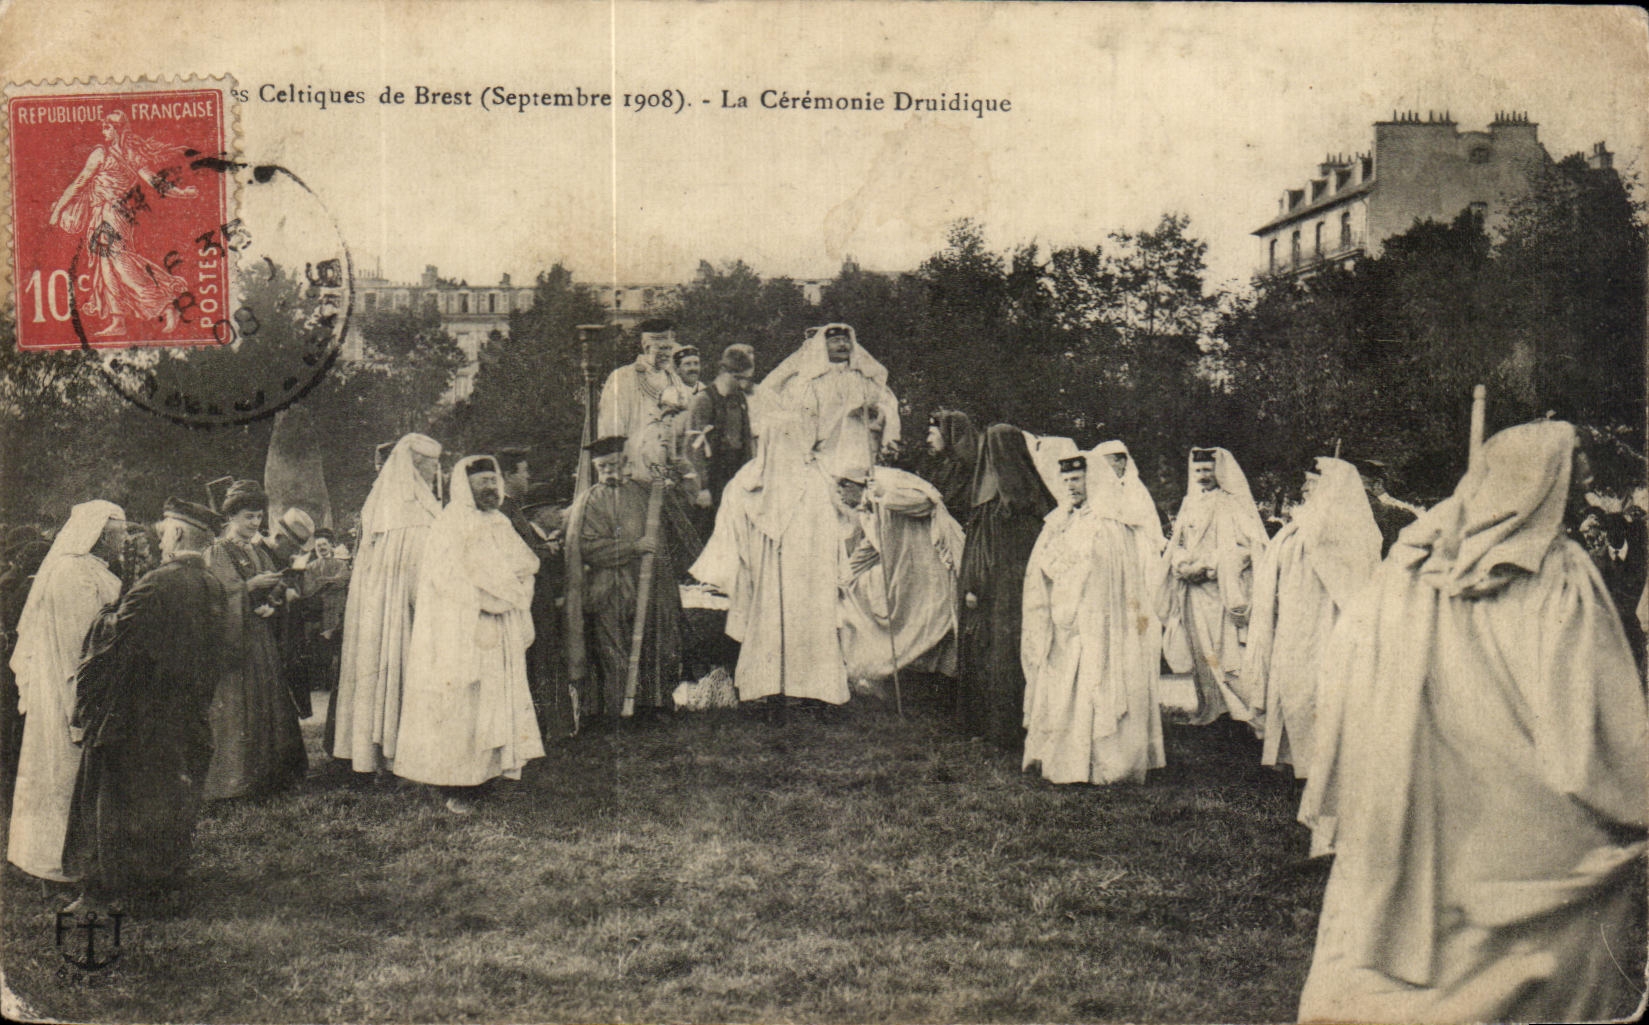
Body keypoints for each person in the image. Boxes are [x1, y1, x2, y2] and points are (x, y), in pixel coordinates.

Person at [1296, 420, 1648, 1023]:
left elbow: (1351, 673)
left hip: (1421, 797)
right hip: (1521, 809)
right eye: (1572, 486)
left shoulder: (1413, 569)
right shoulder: (1559, 572)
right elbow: (1587, 713)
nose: (1579, 500)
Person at [62, 499, 229, 913]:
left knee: (117, 800)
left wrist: (105, 613)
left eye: (165, 530)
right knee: (169, 799)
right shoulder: (212, 585)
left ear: (177, 535)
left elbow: (115, 639)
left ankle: (104, 893)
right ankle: (161, 883)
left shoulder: (160, 582)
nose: (159, 536)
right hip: (184, 713)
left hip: (141, 714)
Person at [394, 457, 544, 813]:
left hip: (500, 625)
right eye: (481, 483)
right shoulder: (450, 525)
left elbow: (526, 565)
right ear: (464, 486)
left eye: (493, 480)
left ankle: (490, 776)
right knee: (462, 704)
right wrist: (496, 593)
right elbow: (449, 578)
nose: (490, 488)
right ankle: (456, 784)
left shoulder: (500, 522)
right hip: (462, 628)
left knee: (495, 701)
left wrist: (515, 591)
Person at [690, 408, 851, 707]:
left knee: (796, 631)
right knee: (785, 631)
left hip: (804, 575)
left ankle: (799, 697)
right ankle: (791, 697)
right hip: (783, 577)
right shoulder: (759, 479)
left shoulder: (784, 479)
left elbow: (829, 530)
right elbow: (732, 523)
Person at [1021, 454, 1165, 785]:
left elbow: (1101, 572)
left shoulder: (1108, 524)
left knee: (1097, 679)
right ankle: (1065, 757)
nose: (1071, 486)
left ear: (1092, 481)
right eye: (1066, 480)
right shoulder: (1059, 520)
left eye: (1077, 480)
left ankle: (1103, 763)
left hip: (1099, 619)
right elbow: (1043, 563)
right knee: (1063, 681)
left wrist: (1065, 572)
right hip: (1066, 618)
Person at [6, 501, 125, 883]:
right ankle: (58, 858)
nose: (123, 539)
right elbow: (80, 642)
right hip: (69, 686)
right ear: (99, 536)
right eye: (119, 533)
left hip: (76, 683)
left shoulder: (89, 570)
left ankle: (76, 854)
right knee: (64, 770)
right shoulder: (74, 574)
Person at [1239, 457, 1380, 779]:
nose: (1304, 488)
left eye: (1311, 483)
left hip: (1326, 626)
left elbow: (1354, 581)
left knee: (1319, 689)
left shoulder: (1351, 530)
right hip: (1293, 621)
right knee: (1292, 685)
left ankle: (1326, 764)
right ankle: (1295, 759)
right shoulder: (1297, 528)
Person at [330, 433, 443, 773]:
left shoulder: (385, 506)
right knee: (399, 670)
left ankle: (388, 753)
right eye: (432, 465)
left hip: (383, 610)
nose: (436, 472)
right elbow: (415, 568)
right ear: (415, 466)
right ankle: (397, 755)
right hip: (403, 610)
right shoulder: (407, 512)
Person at [574, 436, 696, 718]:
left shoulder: (645, 490)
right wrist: (632, 548)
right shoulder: (591, 500)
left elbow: (681, 505)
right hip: (612, 588)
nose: (609, 472)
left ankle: (654, 704)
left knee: (657, 642)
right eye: (603, 467)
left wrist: (677, 468)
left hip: (651, 583)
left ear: (626, 463)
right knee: (614, 650)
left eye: (614, 465)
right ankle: (618, 711)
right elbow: (589, 546)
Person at [47, 111, 199, 337]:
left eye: (107, 127)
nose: (103, 131)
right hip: (101, 215)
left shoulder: (125, 155)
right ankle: (118, 321)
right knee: (106, 266)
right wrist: (59, 208)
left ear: (118, 130)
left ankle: (164, 304)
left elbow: (155, 182)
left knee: (119, 262)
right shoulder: (103, 153)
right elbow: (79, 183)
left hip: (114, 215)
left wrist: (182, 193)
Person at [202, 481, 307, 800]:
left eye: (259, 517)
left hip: (259, 636)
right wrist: (249, 587)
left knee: (267, 700)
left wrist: (273, 598)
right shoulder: (218, 550)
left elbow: (273, 586)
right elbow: (218, 595)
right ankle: (236, 780)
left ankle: (270, 775)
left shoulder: (258, 549)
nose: (255, 523)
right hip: (236, 641)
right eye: (249, 517)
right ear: (231, 517)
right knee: (239, 702)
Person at [954, 424, 1057, 747]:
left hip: (994, 594)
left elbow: (981, 554)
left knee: (994, 655)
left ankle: (997, 728)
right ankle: (1027, 723)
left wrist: (973, 586)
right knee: (1022, 653)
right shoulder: (1038, 497)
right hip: (1027, 591)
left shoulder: (990, 501)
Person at [1158, 446, 1268, 726]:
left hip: (1219, 590)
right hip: (1192, 592)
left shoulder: (1231, 503)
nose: (1203, 476)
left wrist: (1208, 566)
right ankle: (1211, 709)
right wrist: (1182, 564)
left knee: (1225, 651)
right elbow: (1178, 542)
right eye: (1198, 471)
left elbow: (1246, 548)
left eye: (1208, 470)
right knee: (1200, 652)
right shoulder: (1189, 503)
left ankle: (1248, 712)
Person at [835, 463, 965, 690]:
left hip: (933, 566)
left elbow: (928, 501)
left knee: (936, 620)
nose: (841, 498)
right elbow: (872, 546)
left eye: (841, 491)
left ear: (852, 486)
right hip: (911, 573)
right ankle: (911, 681)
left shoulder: (886, 485)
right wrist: (843, 578)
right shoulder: (866, 510)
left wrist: (883, 495)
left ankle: (945, 687)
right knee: (912, 621)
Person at [756, 323, 902, 471]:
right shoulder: (808, 382)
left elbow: (886, 403)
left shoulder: (863, 378)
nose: (842, 345)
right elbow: (802, 417)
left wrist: (878, 412)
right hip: (823, 452)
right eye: (835, 341)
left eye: (845, 340)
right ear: (822, 347)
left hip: (859, 449)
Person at [597, 318, 684, 482]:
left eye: (669, 348)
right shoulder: (623, 377)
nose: (666, 354)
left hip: (666, 462)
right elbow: (611, 426)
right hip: (634, 464)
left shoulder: (674, 379)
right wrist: (620, 467)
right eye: (661, 348)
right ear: (646, 346)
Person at [1, 531, 50, 809]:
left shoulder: (12, 586)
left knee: (10, 723)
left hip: (8, 660)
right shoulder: (29, 591)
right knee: (19, 723)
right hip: (22, 661)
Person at [685, 343, 758, 522]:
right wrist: (702, 488)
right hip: (713, 478)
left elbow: (746, 440)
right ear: (727, 373)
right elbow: (694, 448)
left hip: (736, 475)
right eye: (740, 379)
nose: (744, 384)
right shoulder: (704, 400)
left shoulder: (739, 398)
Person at [296, 528, 350, 693]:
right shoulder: (311, 566)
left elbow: (342, 580)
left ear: (331, 546)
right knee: (320, 646)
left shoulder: (341, 564)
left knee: (338, 644)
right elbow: (308, 589)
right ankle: (323, 681)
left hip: (338, 608)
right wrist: (327, 583)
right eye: (318, 545)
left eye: (324, 544)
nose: (321, 548)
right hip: (319, 611)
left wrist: (323, 582)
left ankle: (338, 681)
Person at [919, 410, 979, 522]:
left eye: (932, 434)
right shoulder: (943, 465)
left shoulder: (965, 469)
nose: (928, 440)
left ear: (948, 434)